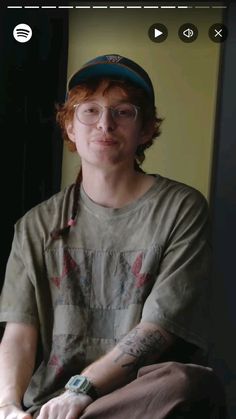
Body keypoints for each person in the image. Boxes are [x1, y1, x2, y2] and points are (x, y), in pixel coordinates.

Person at [0, 54, 227, 419]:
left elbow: (160, 327)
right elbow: (20, 331)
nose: (105, 124)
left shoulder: (181, 208)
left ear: (148, 129)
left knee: (188, 383)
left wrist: (82, 390)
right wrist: (8, 405)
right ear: (69, 127)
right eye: (89, 111)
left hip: (136, 401)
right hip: (51, 405)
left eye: (124, 112)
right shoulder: (36, 224)